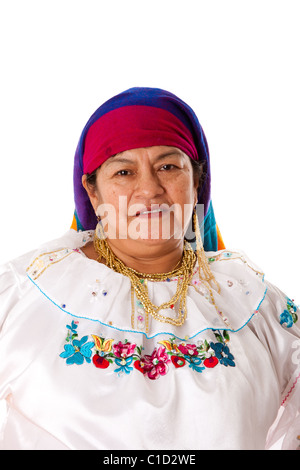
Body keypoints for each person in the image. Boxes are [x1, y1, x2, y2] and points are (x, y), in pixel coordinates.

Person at [0, 87, 299, 450]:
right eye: (124, 172)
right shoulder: (25, 293)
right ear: (93, 193)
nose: (149, 190)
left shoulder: (253, 305)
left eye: (168, 167)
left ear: (197, 182)